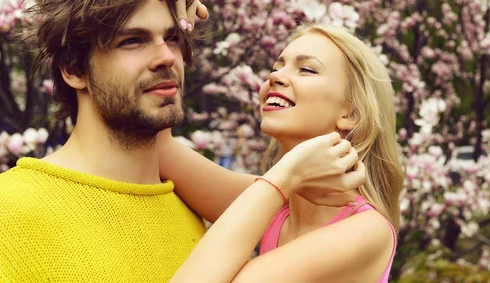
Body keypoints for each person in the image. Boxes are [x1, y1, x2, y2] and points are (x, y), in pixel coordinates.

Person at [0, 0, 364, 282]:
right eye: (133, 40)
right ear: (73, 68)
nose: (167, 58)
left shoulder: (199, 212)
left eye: (173, 38)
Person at [165, 24, 405, 282]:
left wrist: (284, 176)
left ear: (350, 114)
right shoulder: (277, 205)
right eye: (277, 67)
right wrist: (174, 14)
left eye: (306, 69)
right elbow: (160, 151)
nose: (275, 77)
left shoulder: (366, 232)